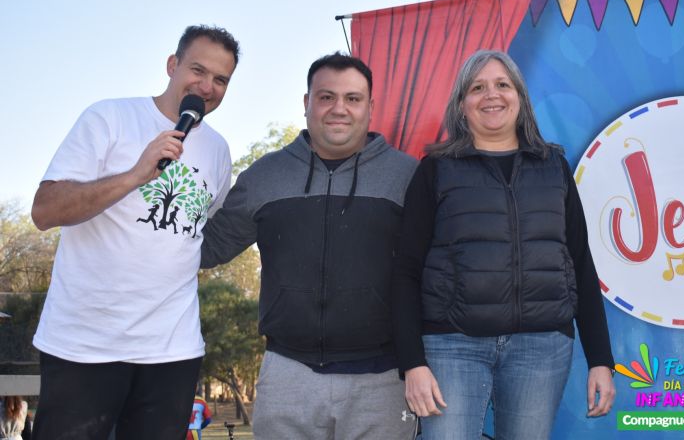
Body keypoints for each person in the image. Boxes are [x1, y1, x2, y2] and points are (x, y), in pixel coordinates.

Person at [29, 25, 240, 440]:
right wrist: (134, 175)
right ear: (171, 65)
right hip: (84, 346)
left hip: (173, 352)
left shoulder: (218, 150)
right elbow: (44, 210)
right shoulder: (109, 117)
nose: (208, 86)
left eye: (221, 79)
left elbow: (198, 231)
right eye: (198, 70)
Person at [392, 50, 616, 439]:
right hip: (451, 347)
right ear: (462, 104)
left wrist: (601, 360)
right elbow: (406, 268)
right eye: (477, 87)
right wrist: (412, 362)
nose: (491, 95)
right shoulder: (436, 170)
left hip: (540, 348)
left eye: (502, 84)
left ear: (520, 96)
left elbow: (580, 263)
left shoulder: (553, 167)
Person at [200, 52, 418, 440]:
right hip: (287, 374)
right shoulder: (266, 175)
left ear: (370, 107)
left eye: (353, 98)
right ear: (306, 104)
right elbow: (205, 248)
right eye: (326, 97)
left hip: (383, 378)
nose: (339, 109)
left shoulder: (408, 176)